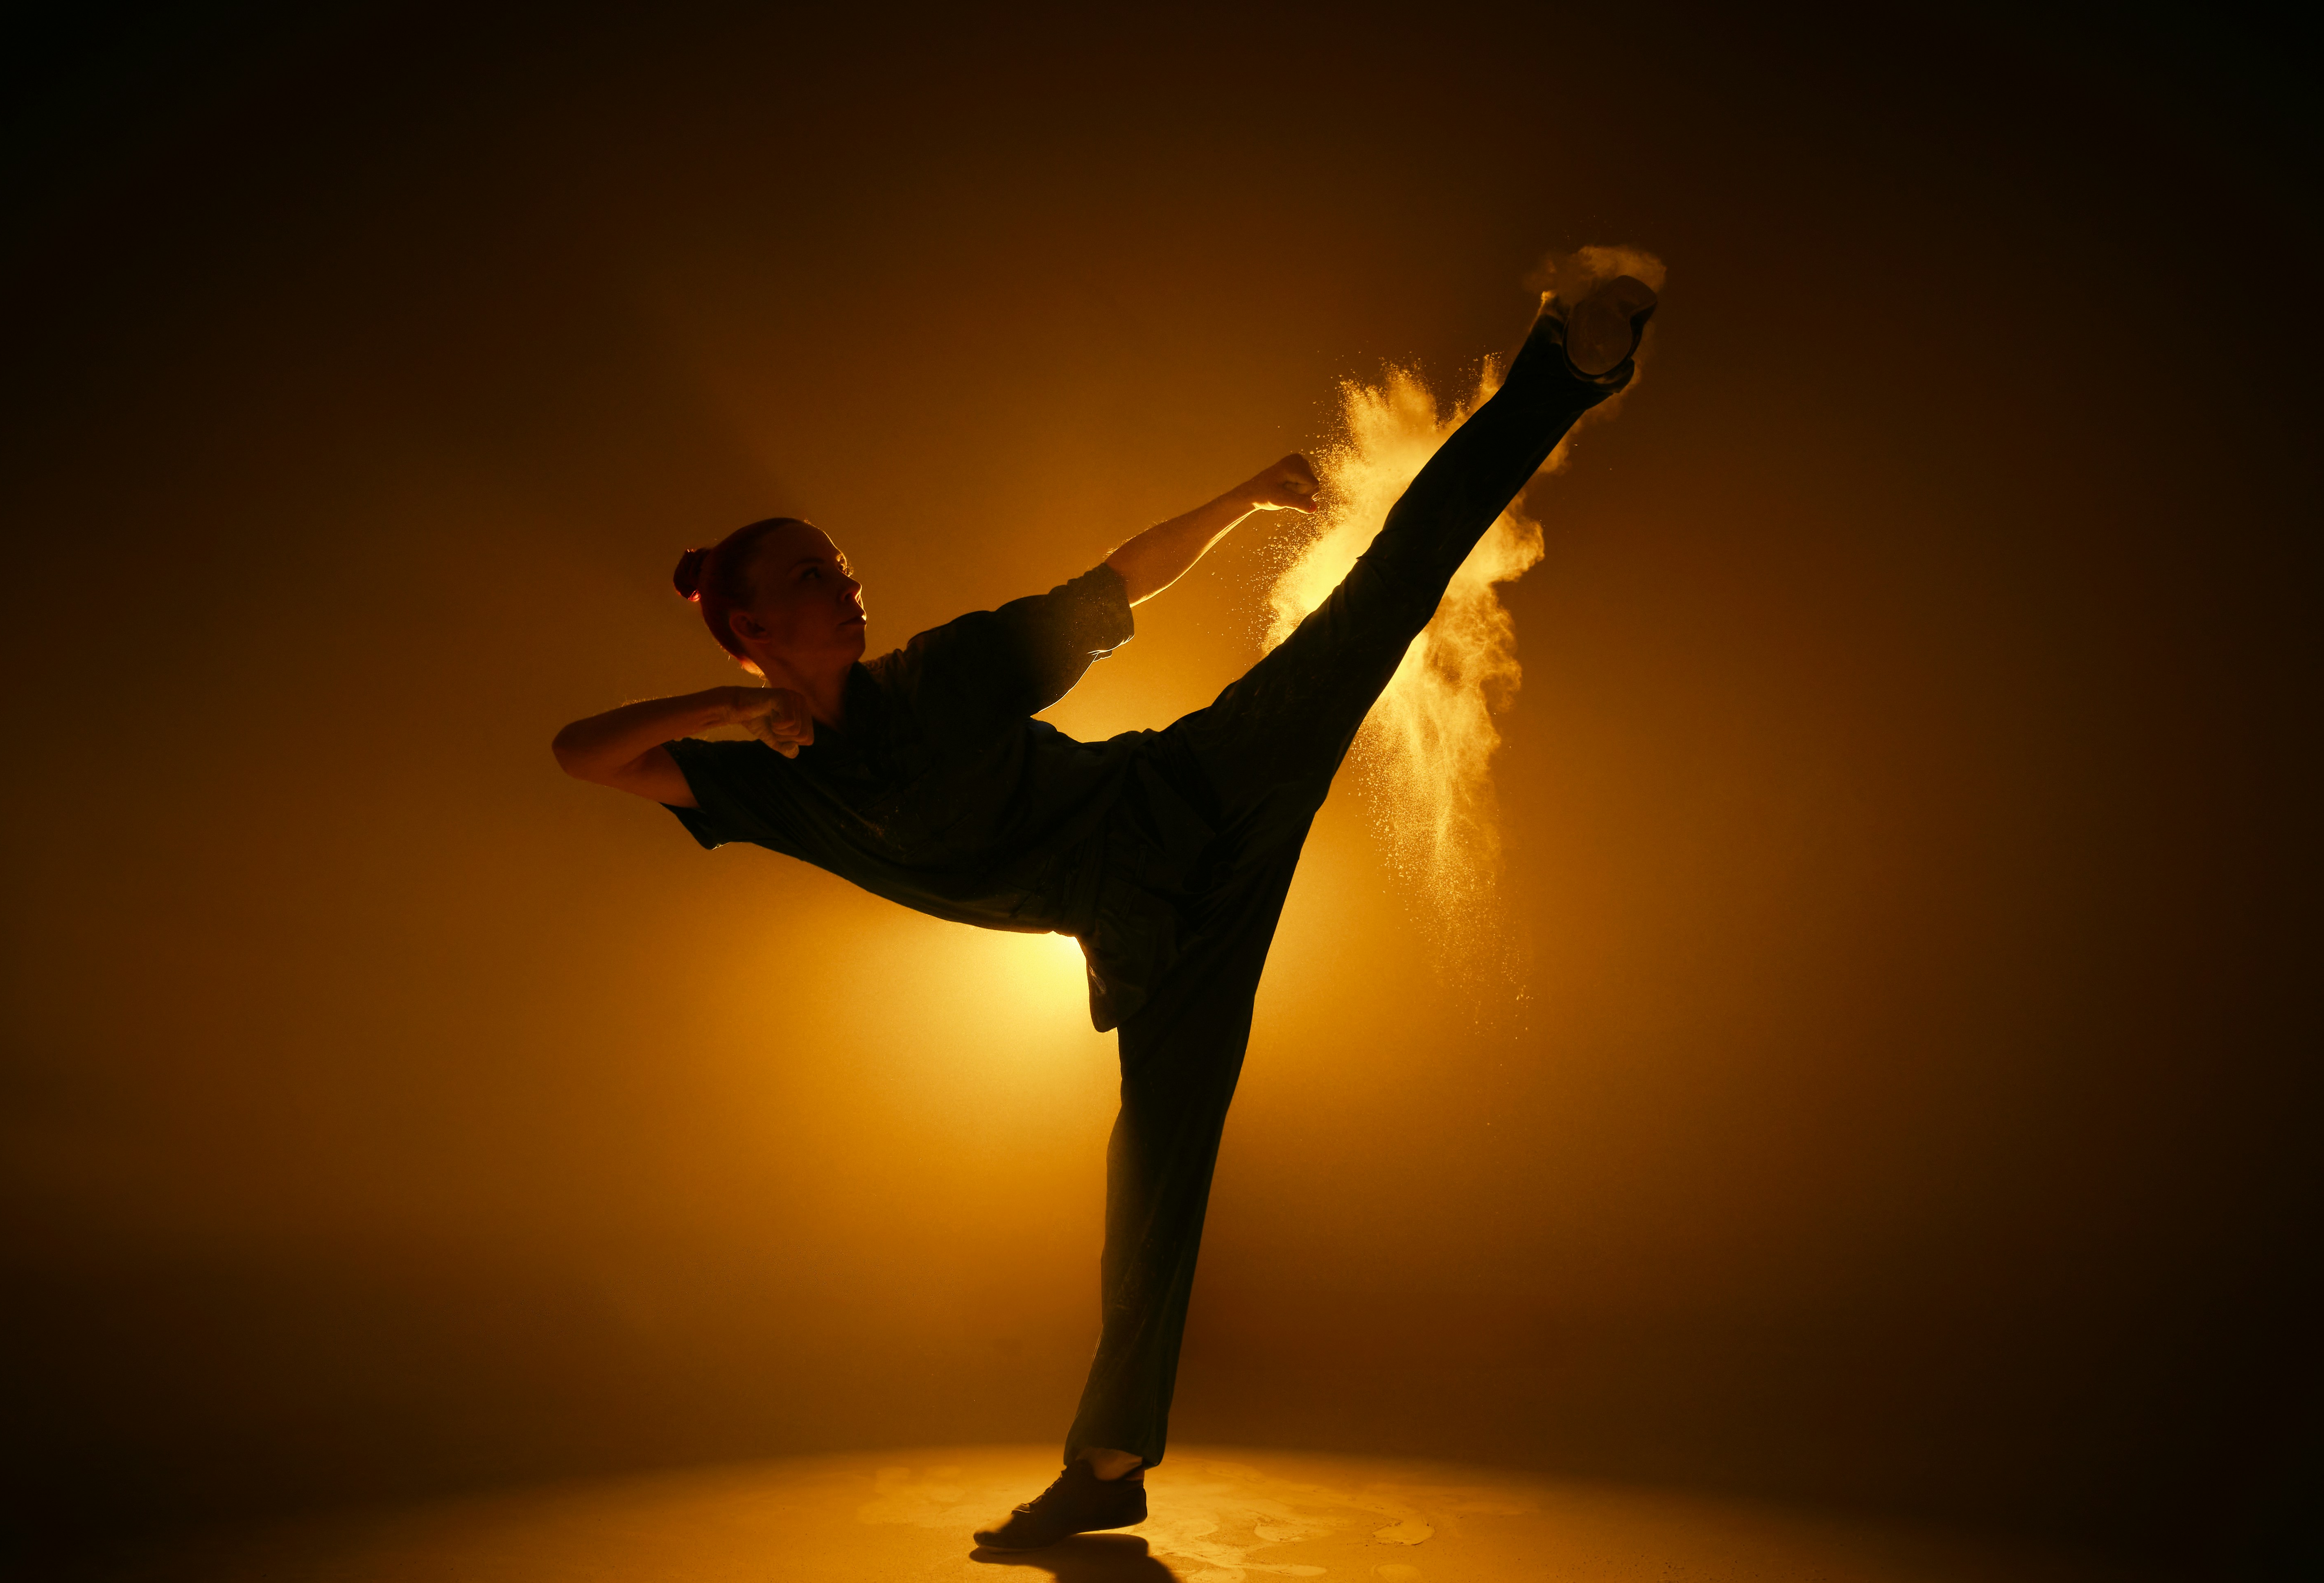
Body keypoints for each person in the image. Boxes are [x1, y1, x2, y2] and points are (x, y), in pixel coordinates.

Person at [551, 273, 1659, 1551]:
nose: (848, 584)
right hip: (1153, 944)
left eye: (845, 564)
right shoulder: (773, 786)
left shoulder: (944, 676)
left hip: (1196, 793)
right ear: (754, 625)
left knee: (1380, 604)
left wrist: (1244, 500)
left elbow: (1115, 586)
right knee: (1152, 1190)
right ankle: (1108, 1465)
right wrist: (720, 710)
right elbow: (581, 751)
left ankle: (1563, 372)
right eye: (815, 575)